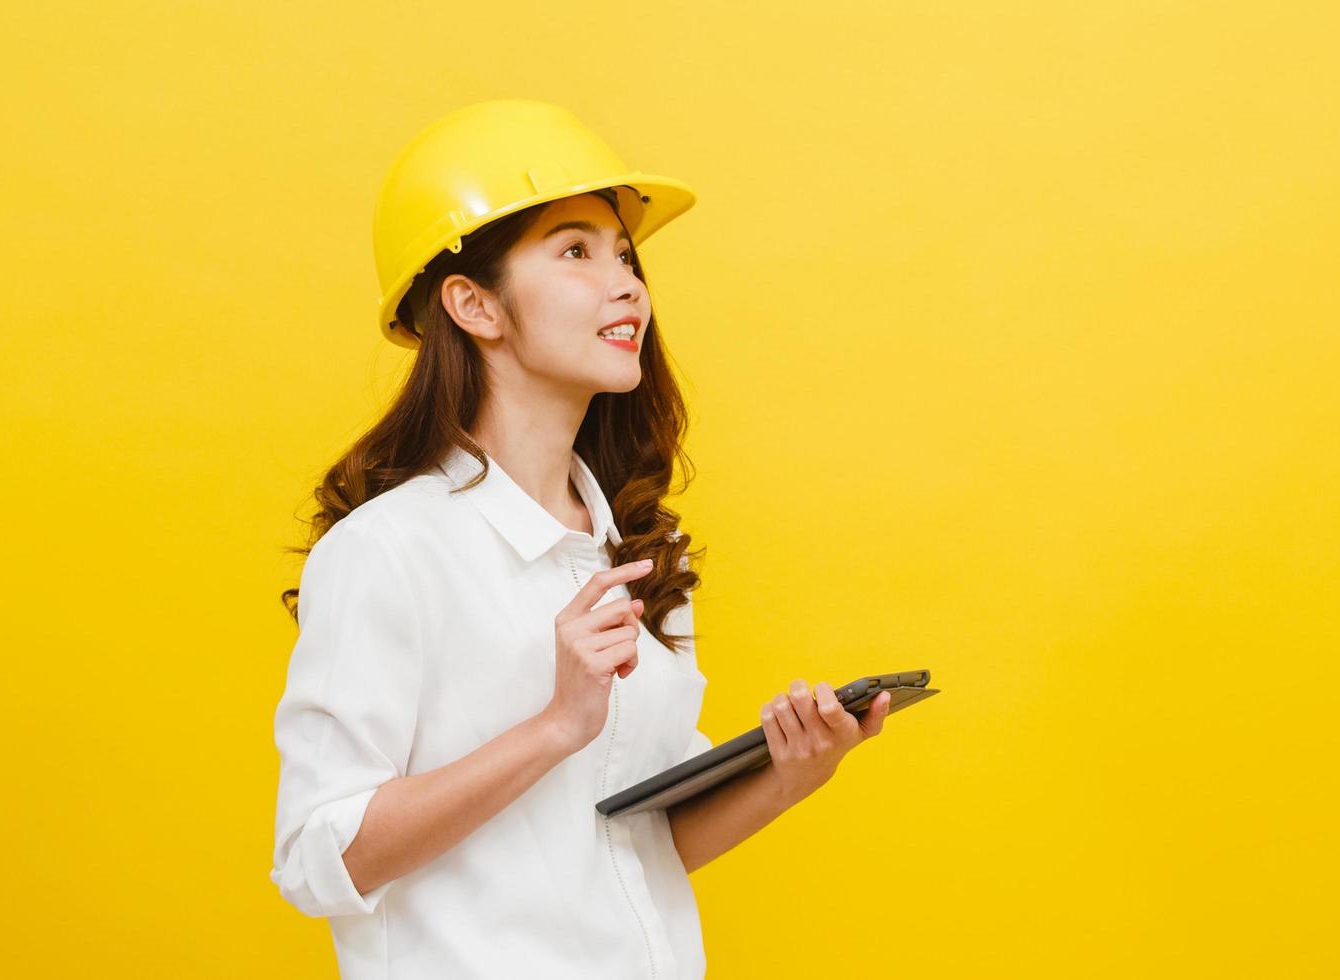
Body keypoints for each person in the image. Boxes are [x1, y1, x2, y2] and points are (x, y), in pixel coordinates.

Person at [268, 99, 893, 980]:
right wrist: (555, 725)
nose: (628, 284)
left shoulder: (630, 549)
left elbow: (634, 838)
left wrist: (788, 775)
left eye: (626, 256)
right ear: (473, 304)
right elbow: (315, 858)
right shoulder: (388, 552)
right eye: (575, 251)